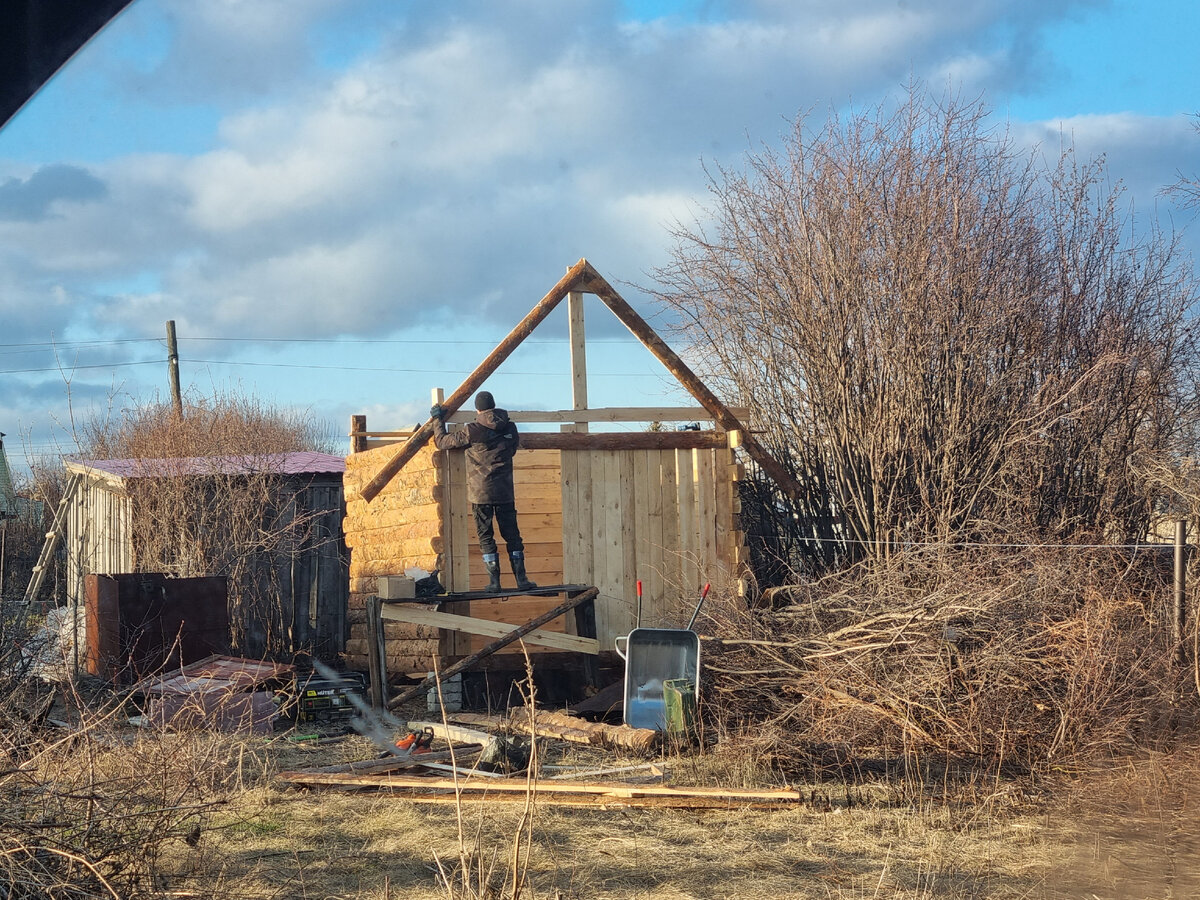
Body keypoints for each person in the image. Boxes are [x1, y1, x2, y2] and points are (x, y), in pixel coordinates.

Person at [431, 390, 536, 592]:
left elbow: (442, 442)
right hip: (505, 491)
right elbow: (513, 449)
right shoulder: (511, 427)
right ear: (494, 406)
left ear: (477, 409)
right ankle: (522, 581)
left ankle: (495, 583)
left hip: (481, 493)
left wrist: (437, 419)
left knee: (486, 537)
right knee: (513, 536)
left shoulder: (473, 430)